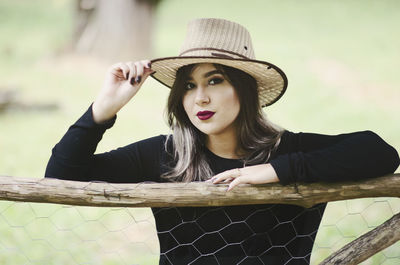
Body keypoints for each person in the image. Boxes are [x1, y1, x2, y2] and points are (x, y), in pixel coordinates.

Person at [45, 18, 399, 265]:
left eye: (214, 81)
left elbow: (380, 153)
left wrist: (276, 170)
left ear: (245, 91)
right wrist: (103, 109)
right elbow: (61, 177)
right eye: (188, 85)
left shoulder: (289, 150)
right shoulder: (167, 155)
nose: (199, 98)